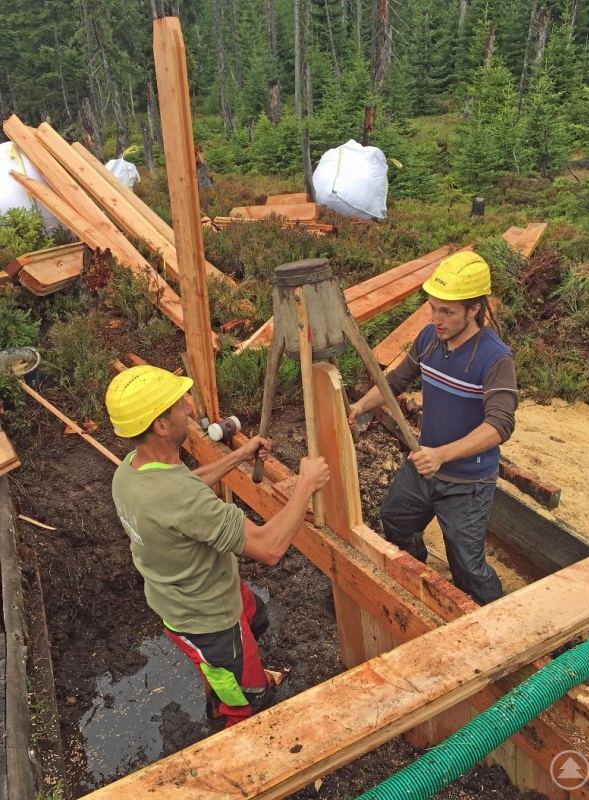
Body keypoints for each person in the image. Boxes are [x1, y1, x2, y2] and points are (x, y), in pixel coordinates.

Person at [105, 365, 329, 727]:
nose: (190, 408)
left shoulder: (131, 470)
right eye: (180, 404)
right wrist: (305, 485)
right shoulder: (179, 499)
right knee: (249, 702)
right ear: (161, 426)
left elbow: (184, 488)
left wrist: (238, 456)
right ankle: (236, 731)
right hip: (208, 623)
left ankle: (230, 679)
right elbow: (269, 548)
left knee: (256, 618)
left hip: (190, 593)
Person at [348, 252, 518, 606]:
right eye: (433, 308)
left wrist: (442, 454)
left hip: (466, 482)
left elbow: (500, 425)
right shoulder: (429, 339)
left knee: (468, 567)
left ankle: (493, 620)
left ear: (474, 310)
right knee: (395, 521)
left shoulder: (494, 358)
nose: (436, 319)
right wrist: (360, 406)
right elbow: (394, 381)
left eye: (447, 312)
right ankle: (418, 578)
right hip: (423, 468)